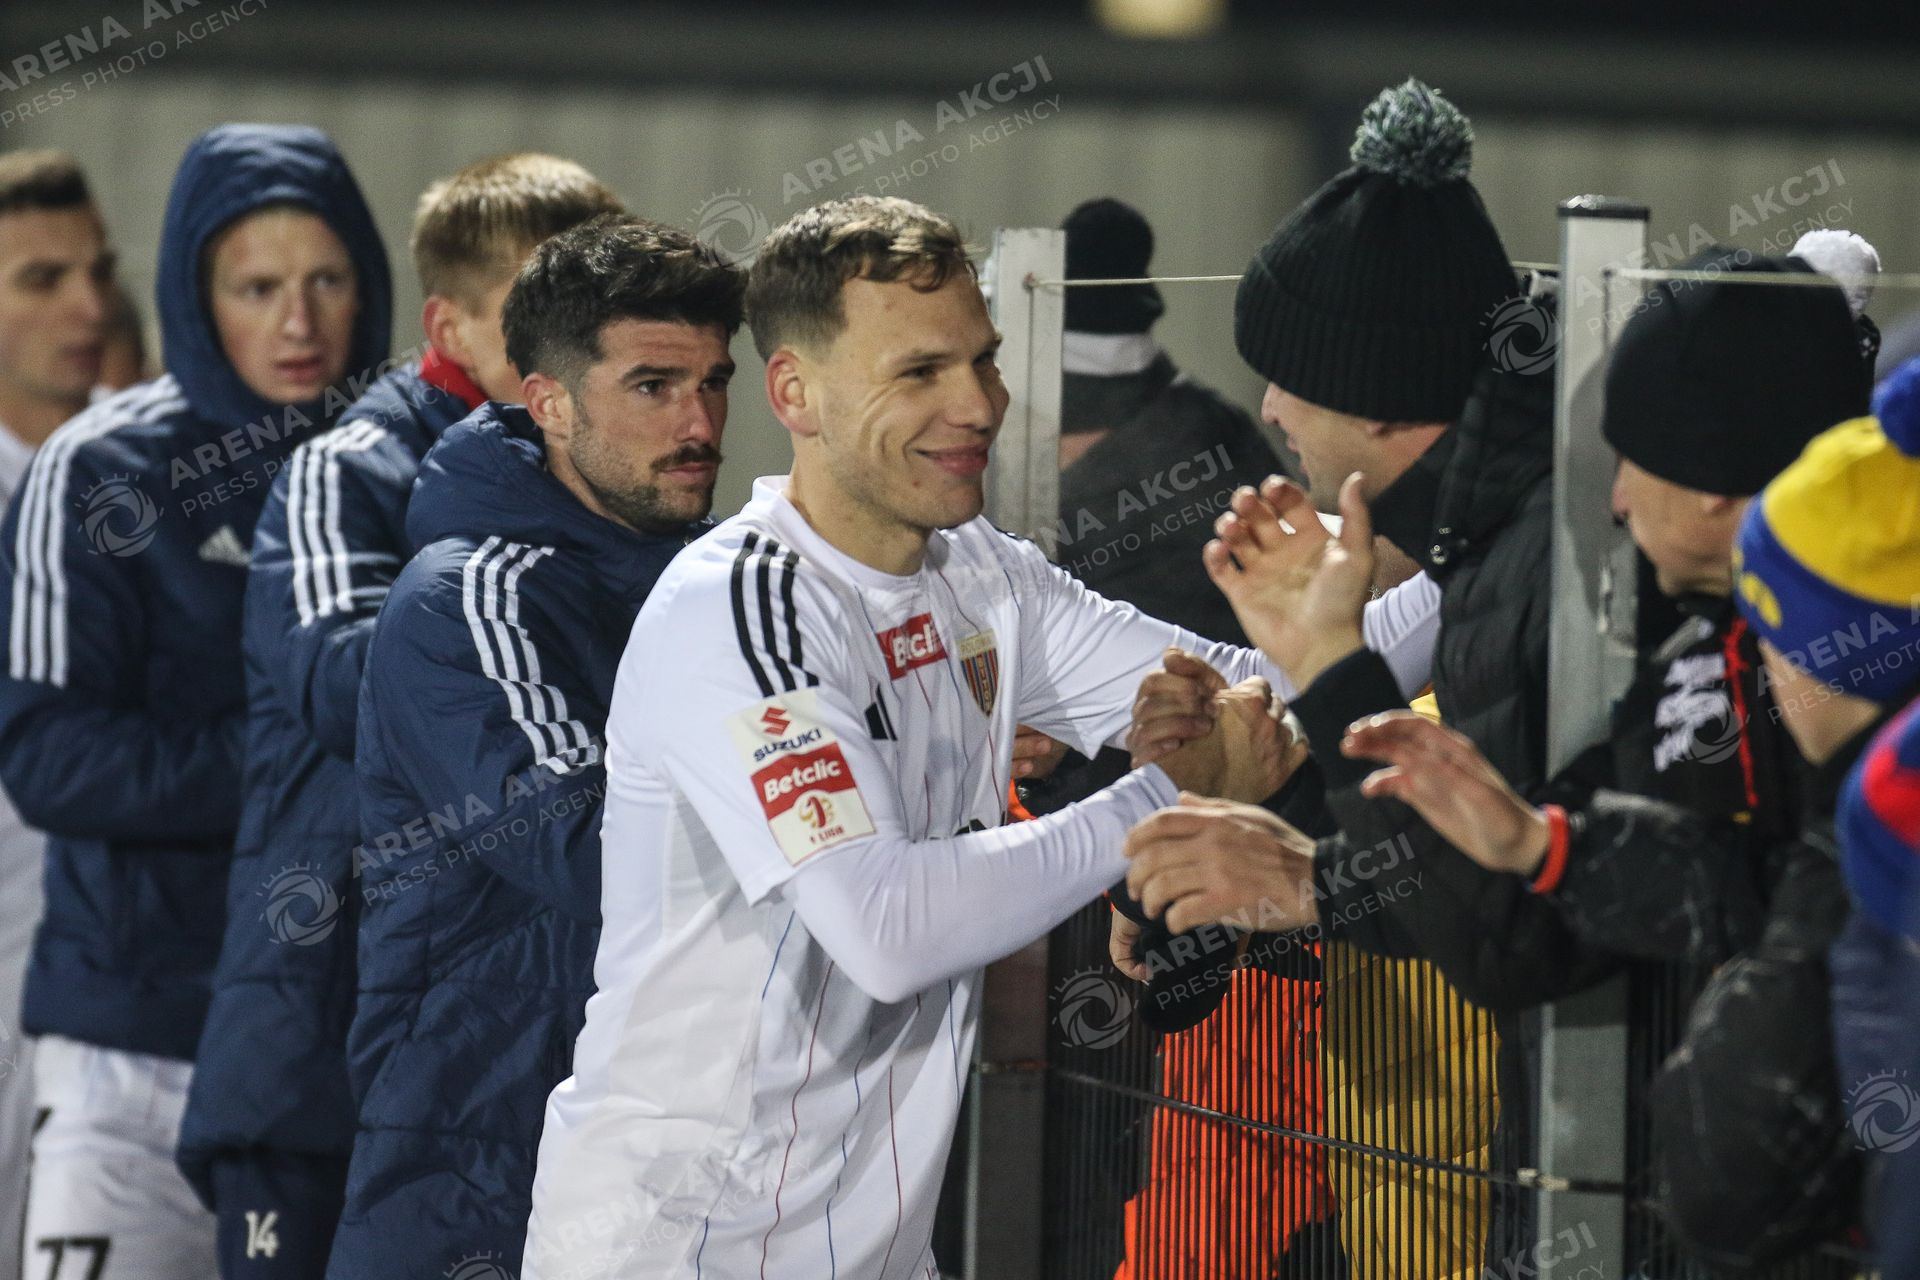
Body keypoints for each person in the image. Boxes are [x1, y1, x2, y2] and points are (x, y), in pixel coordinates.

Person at [519, 194, 1439, 1280]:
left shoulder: (980, 573)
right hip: (682, 1251)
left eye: (984, 359)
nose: (979, 405)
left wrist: (1476, 548)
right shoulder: (742, 610)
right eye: (919, 372)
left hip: (875, 1249)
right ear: (795, 392)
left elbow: (1260, 700)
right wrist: (1164, 794)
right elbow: (887, 928)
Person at [174, 154, 622, 1280]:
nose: (574, 341)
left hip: (494, 1058)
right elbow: (343, 680)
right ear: (448, 326)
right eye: (537, 309)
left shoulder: (612, 486)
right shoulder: (348, 473)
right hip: (313, 1042)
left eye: (594, 309)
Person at [0, 124, 390, 1280]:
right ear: (193, 293)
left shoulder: (416, 468)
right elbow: (50, 754)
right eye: (257, 287)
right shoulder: (101, 469)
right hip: (134, 1046)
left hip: (341, 1057)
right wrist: (297, 771)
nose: (299, 321)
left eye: (328, 280)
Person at [327, 214, 740, 1280]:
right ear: (549, 402)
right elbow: (592, 852)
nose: (699, 421)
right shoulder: (465, 595)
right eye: (653, 385)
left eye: (714, 382)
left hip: (680, 1163)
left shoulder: (728, 588)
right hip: (472, 1161)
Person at [0, 147, 120, 1280]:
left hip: (112, 1004)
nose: (90, 308)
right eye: (43, 279)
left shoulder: (158, 491)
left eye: (100, 272)